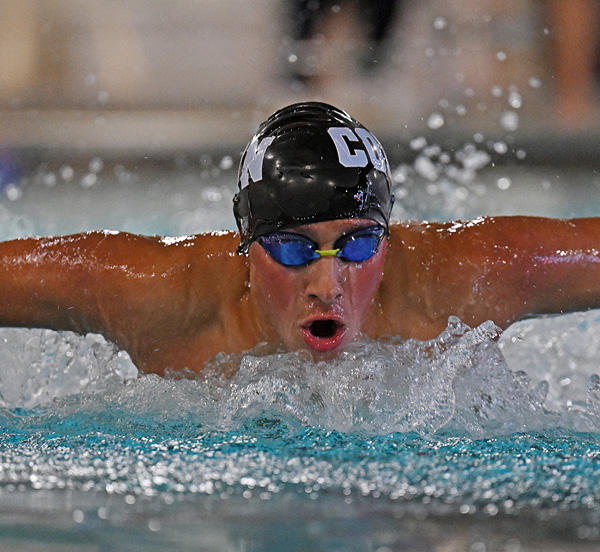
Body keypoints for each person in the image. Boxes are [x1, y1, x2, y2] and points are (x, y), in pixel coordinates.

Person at [1, 101, 600, 376]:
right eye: (292, 248)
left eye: (359, 246)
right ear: (246, 242)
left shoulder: (467, 277)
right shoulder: (157, 295)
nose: (326, 284)